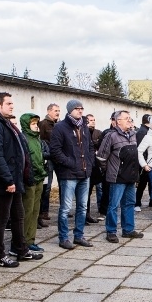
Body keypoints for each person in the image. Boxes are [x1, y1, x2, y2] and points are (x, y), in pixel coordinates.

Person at [0, 92, 42, 266]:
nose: (12, 106)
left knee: (18, 215)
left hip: (15, 179)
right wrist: (8, 180)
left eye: (12, 103)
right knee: (2, 219)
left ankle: (21, 249)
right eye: (8, 104)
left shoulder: (4, 123)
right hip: (3, 182)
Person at [50, 99, 94, 249]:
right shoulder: (60, 127)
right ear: (69, 110)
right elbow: (55, 151)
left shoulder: (84, 127)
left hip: (84, 173)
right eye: (76, 108)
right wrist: (70, 163)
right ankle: (63, 238)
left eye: (81, 108)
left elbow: (90, 147)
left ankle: (79, 235)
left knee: (82, 206)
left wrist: (89, 162)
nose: (80, 111)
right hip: (69, 174)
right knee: (65, 208)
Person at [97, 110, 145, 242]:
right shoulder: (111, 136)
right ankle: (111, 231)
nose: (130, 120)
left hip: (130, 177)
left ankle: (128, 230)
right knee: (113, 205)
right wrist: (110, 170)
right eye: (126, 118)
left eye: (130, 118)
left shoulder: (133, 134)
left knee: (129, 203)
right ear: (118, 121)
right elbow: (101, 157)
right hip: (117, 177)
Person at [20, 113, 49, 251]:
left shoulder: (37, 139)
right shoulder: (24, 138)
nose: (36, 126)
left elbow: (40, 156)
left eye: (36, 124)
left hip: (39, 178)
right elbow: (28, 160)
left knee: (35, 211)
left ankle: (31, 239)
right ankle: (23, 241)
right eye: (32, 124)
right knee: (28, 210)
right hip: (30, 178)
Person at [37, 103, 60, 225]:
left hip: (59, 158)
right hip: (49, 158)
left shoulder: (59, 124)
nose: (57, 113)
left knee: (63, 183)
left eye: (59, 111)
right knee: (47, 186)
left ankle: (63, 209)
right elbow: (40, 141)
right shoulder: (43, 124)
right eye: (55, 110)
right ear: (49, 111)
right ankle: (43, 211)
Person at [85, 113, 103, 223]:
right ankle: (85, 214)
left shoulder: (98, 133)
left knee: (95, 189)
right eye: (90, 120)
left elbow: (100, 146)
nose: (93, 122)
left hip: (95, 165)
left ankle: (91, 213)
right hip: (86, 166)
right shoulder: (83, 132)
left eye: (94, 120)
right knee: (85, 192)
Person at [134, 114, 152, 212]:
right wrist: (144, 162)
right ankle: (137, 202)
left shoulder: (146, 131)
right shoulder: (142, 132)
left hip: (147, 161)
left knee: (150, 183)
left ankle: (151, 201)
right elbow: (141, 149)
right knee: (142, 183)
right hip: (144, 162)